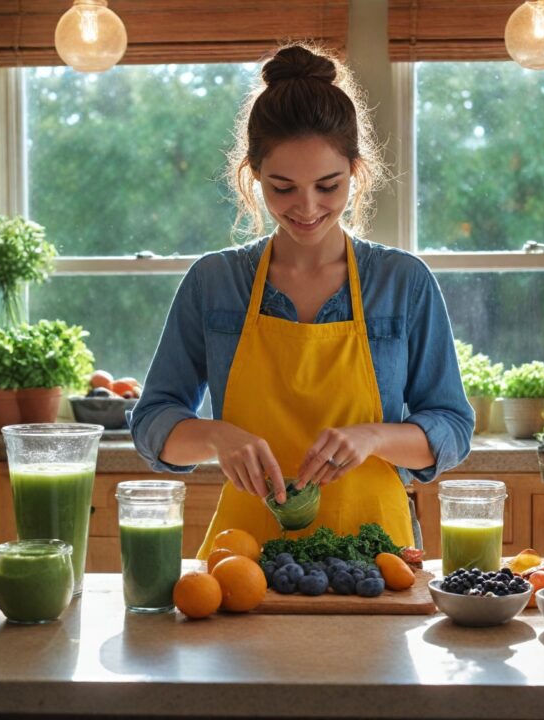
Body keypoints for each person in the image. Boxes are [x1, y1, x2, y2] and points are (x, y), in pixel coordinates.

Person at [129, 43, 474, 559]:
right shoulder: (214, 282)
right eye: (283, 187)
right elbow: (153, 422)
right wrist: (216, 437)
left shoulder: (404, 283)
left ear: (356, 172)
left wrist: (374, 438)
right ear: (253, 175)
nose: (307, 208)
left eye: (328, 185)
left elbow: (451, 427)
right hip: (244, 559)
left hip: (375, 559)